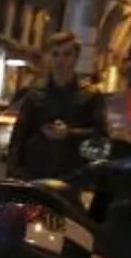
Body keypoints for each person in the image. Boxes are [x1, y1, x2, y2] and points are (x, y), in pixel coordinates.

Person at [6, 33, 106, 179]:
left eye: (67, 54)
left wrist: (69, 133)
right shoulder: (35, 93)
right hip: (35, 173)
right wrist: (14, 173)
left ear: (76, 57)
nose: (60, 60)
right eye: (55, 54)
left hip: (72, 174)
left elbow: (100, 136)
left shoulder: (89, 94)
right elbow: (19, 137)